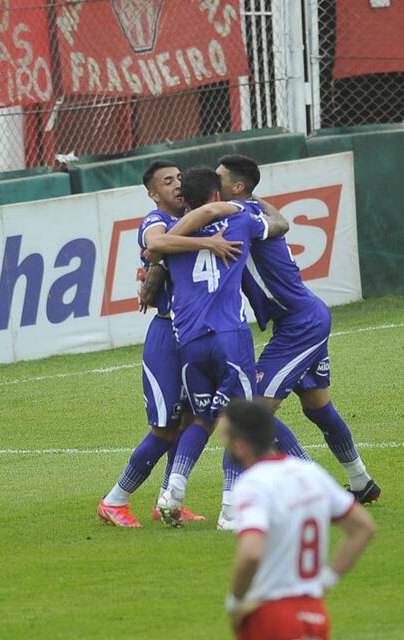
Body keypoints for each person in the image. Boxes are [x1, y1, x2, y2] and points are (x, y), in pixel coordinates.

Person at [167, 154, 381, 524]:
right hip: (296, 321)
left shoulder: (235, 211)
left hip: (301, 325)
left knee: (249, 413)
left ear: (235, 189)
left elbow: (212, 217)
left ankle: (309, 495)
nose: (215, 186)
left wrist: (169, 239)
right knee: (318, 407)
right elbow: (278, 222)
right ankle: (360, 481)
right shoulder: (243, 213)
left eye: (221, 179)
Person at [97, 160, 240, 528]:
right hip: (166, 336)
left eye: (179, 178)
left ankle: (168, 500)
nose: (176, 185)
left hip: (192, 338)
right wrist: (206, 243)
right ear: (153, 193)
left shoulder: (195, 218)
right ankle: (115, 500)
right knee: (164, 427)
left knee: (194, 418)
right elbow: (156, 244)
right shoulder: (153, 221)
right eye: (167, 181)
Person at [148, 167, 292, 527]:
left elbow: (154, 254)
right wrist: (248, 203)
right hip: (229, 335)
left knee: (201, 418)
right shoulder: (240, 219)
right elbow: (279, 225)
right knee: (238, 418)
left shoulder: (170, 240)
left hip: (190, 340)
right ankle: (230, 510)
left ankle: (173, 489)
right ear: (216, 195)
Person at [221, 400, 377, 640]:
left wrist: (235, 602)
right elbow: (363, 527)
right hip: (315, 613)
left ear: (241, 447)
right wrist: (324, 581)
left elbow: (251, 553)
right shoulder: (310, 472)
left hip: (270, 614)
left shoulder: (253, 484)